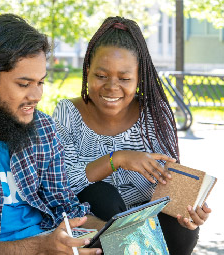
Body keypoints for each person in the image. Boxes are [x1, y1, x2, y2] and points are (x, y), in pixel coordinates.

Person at [0, 14, 104, 255]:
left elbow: (66, 207)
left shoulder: (44, 128)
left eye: (40, 82)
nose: (36, 95)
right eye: (24, 84)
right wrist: (41, 248)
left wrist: (110, 230)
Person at [52, 16, 211, 255]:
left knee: (183, 230)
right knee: (102, 194)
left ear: (139, 78)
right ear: (87, 71)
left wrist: (188, 210)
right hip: (93, 223)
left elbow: (169, 183)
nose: (111, 87)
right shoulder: (67, 113)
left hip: (148, 218)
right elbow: (64, 184)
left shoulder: (154, 115)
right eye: (101, 76)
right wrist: (119, 159)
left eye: (124, 79)